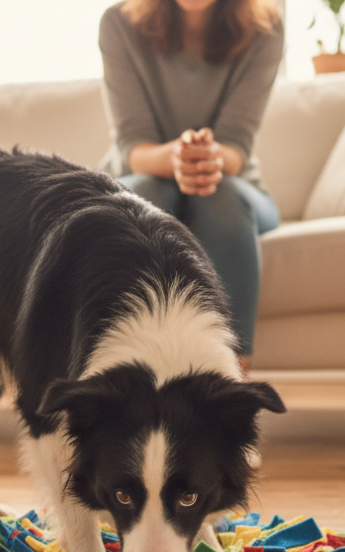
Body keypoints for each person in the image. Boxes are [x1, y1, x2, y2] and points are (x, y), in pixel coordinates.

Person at [99, 0, 284, 372]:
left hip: (230, 184)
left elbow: (237, 146)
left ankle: (231, 377)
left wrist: (207, 159)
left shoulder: (266, 29)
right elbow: (135, 146)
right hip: (145, 177)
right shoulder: (117, 23)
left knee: (221, 198)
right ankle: (123, 372)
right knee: (146, 198)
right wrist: (179, 157)